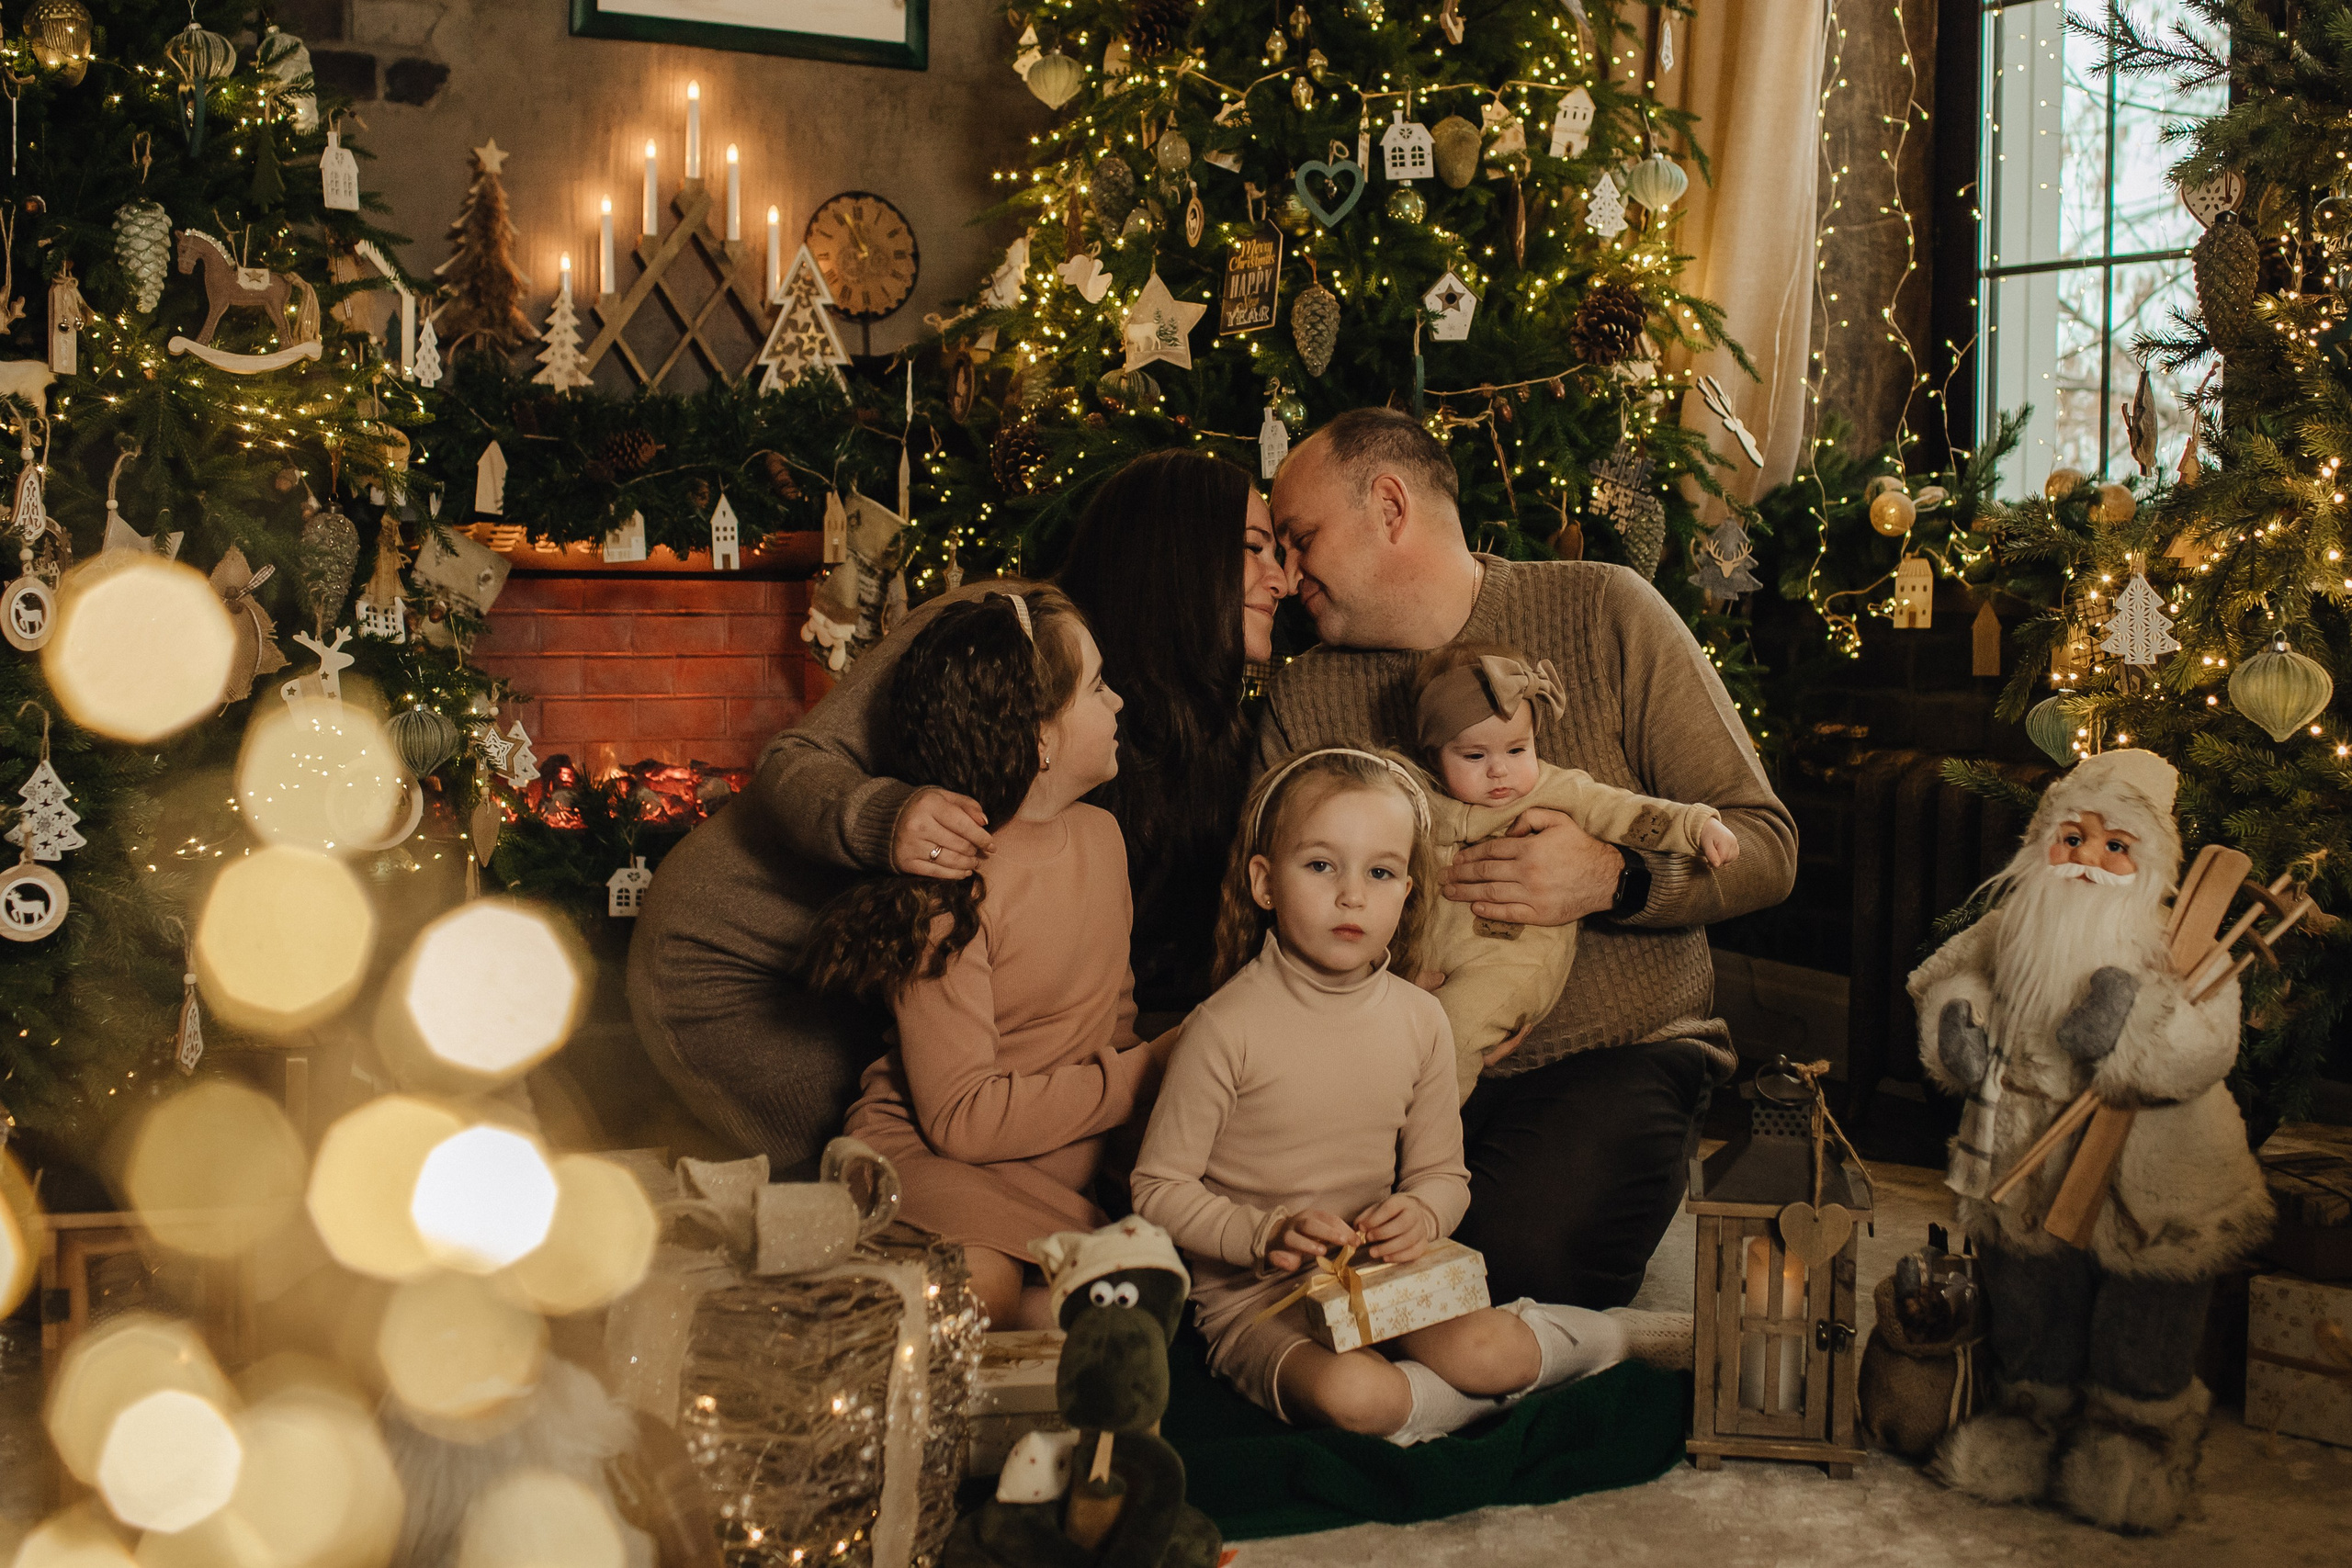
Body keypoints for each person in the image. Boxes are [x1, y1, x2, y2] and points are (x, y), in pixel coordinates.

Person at [1262, 407, 1799, 1309]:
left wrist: (1617, 879)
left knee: (1514, 1271)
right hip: (1388, 1056)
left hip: (1610, 1056)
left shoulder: (1603, 610)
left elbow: (1765, 842)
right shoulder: (1304, 697)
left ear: (1390, 506)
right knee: (1299, 1263)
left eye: (1298, 538)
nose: (1283, 575)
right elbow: (1267, 900)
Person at [628, 451, 1285, 1177]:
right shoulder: (1006, 628)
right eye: (1254, 548)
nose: (1282, 578)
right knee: (863, 1202)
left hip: (895, 986)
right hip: (742, 968)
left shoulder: (1162, 719)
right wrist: (889, 818)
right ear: (1174, 552)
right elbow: (795, 758)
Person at [1132, 748, 1624, 1442]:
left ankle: (1617, 1341)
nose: (1352, 895)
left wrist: (1422, 1213)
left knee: (1494, 1352)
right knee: (1360, 1396)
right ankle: (1442, 1405)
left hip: (1379, 1278)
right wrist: (1263, 1232)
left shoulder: (1420, 1019)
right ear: (1265, 882)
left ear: (1407, 891)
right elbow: (1156, 1187)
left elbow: (1443, 1177)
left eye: (1381, 872)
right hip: (1262, 1300)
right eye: (1321, 865)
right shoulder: (1223, 1027)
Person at [1909, 749, 2267, 1534]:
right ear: (2044, 842)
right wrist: (1956, 1021)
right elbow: (1943, 973)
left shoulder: (2179, 941)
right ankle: (2029, 1411)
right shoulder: (2011, 925)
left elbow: (2208, 1044)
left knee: (2147, 1309)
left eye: (2116, 846)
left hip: (2151, 1178)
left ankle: (2137, 1432)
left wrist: (2130, 1023)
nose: (2090, 861)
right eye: (2073, 838)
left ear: (2150, 860)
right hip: (2029, 1157)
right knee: (2033, 1294)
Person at [807, 588, 1157, 1329]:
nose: (1120, 701)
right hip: (941, 1167)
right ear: (1039, 736)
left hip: (1056, 1175)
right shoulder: (952, 882)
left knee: (1101, 1325)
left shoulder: (1103, 839)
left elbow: (1111, 1022)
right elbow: (960, 1116)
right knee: (978, 1296)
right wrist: (1148, 1073)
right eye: (1097, 687)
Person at [1411, 641, 1739, 1101]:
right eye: (1474, 757)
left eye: (1517, 749)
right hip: (1423, 954)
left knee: (1452, 1033)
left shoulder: (1556, 789)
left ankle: (1427, 1150)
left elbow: (1624, 810)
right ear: (1434, 757)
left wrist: (1695, 826)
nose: (1500, 771)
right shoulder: (1420, 799)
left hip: (1510, 957)